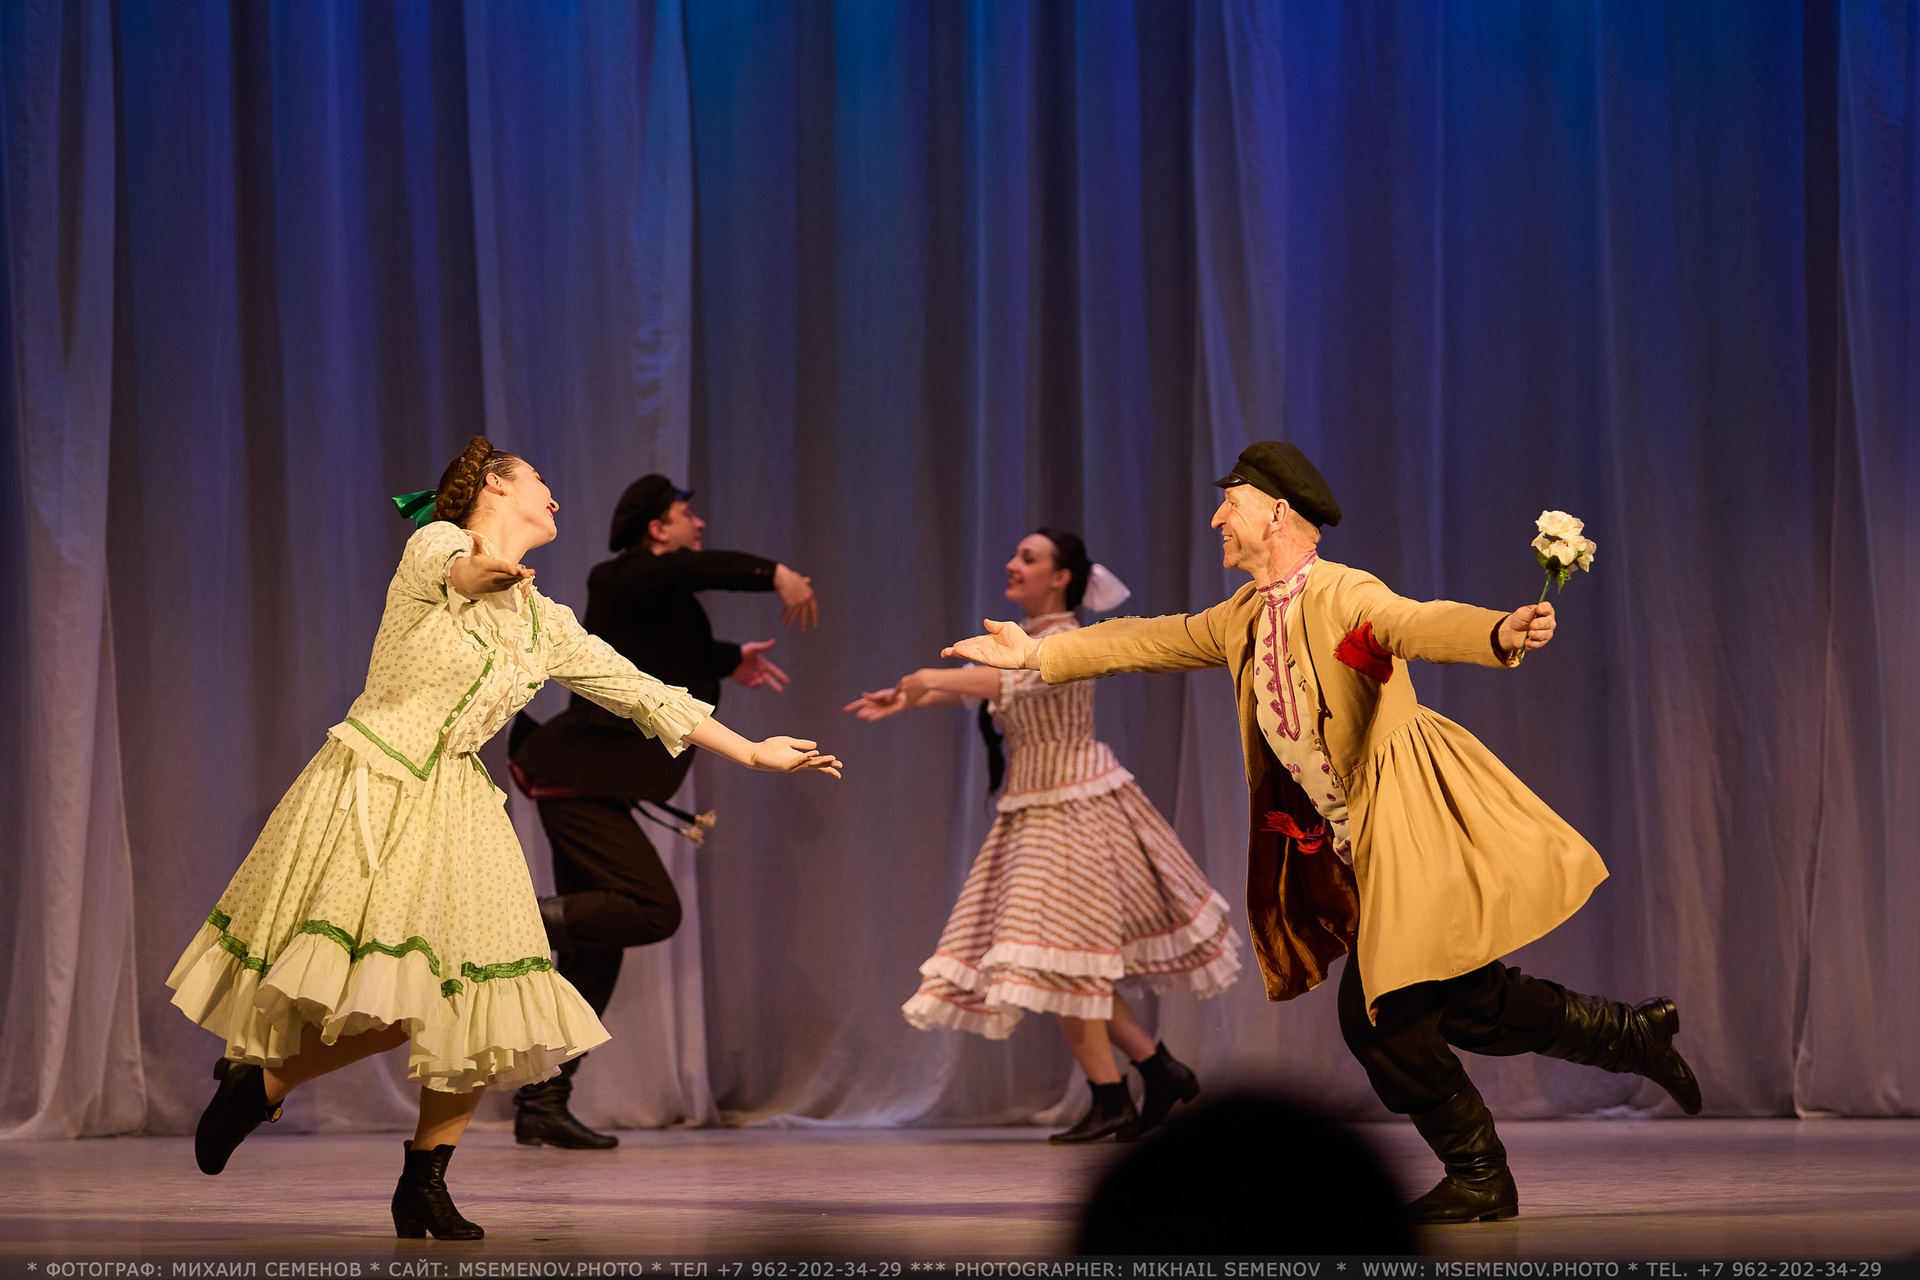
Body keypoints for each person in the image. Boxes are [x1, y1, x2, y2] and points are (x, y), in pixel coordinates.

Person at [945, 442, 1700, 1222]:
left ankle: (1481, 1173)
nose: (1216, 520)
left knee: (1379, 1019)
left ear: (1276, 512)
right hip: (1359, 846)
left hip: (1411, 826)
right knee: (1467, 999)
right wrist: (1036, 652)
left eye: (1230, 504)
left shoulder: (1344, 593)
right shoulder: (1243, 616)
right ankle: (1629, 1036)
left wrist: (1498, 631)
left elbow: (1415, 623)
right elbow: (1146, 640)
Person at [165, 439, 841, 1240]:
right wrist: (477, 571)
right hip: (380, 784)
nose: (555, 497)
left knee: (484, 999)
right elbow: (454, 570)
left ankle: (424, 1181)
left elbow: (641, 692)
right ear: (495, 483)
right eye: (542, 481)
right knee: (389, 994)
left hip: (460, 804)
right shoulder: (435, 544)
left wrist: (752, 751)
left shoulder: (541, 619)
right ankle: (263, 1085)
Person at [847, 530, 1241, 1144]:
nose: (1012, 564)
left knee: (1051, 955)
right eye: (1015, 555)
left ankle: (1120, 1092)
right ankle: (1153, 1073)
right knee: (1058, 958)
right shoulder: (1025, 639)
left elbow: (1007, 683)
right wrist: (911, 695)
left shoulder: (1064, 640)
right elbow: (993, 690)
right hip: (1036, 804)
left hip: (1074, 806)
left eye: (1028, 559)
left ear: (1060, 577)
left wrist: (926, 677)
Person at [506, 475, 819, 1148]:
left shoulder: (652, 594)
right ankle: (509, 921)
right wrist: (776, 575)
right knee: (652, 910)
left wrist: (730, 659)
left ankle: (542, 1099)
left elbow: (658, 655)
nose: (698, 525)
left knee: (598, 944)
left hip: (593, 783)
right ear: (657, 529)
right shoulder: (621, 577)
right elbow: (687, 574)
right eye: (685, 515)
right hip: (577, 777)